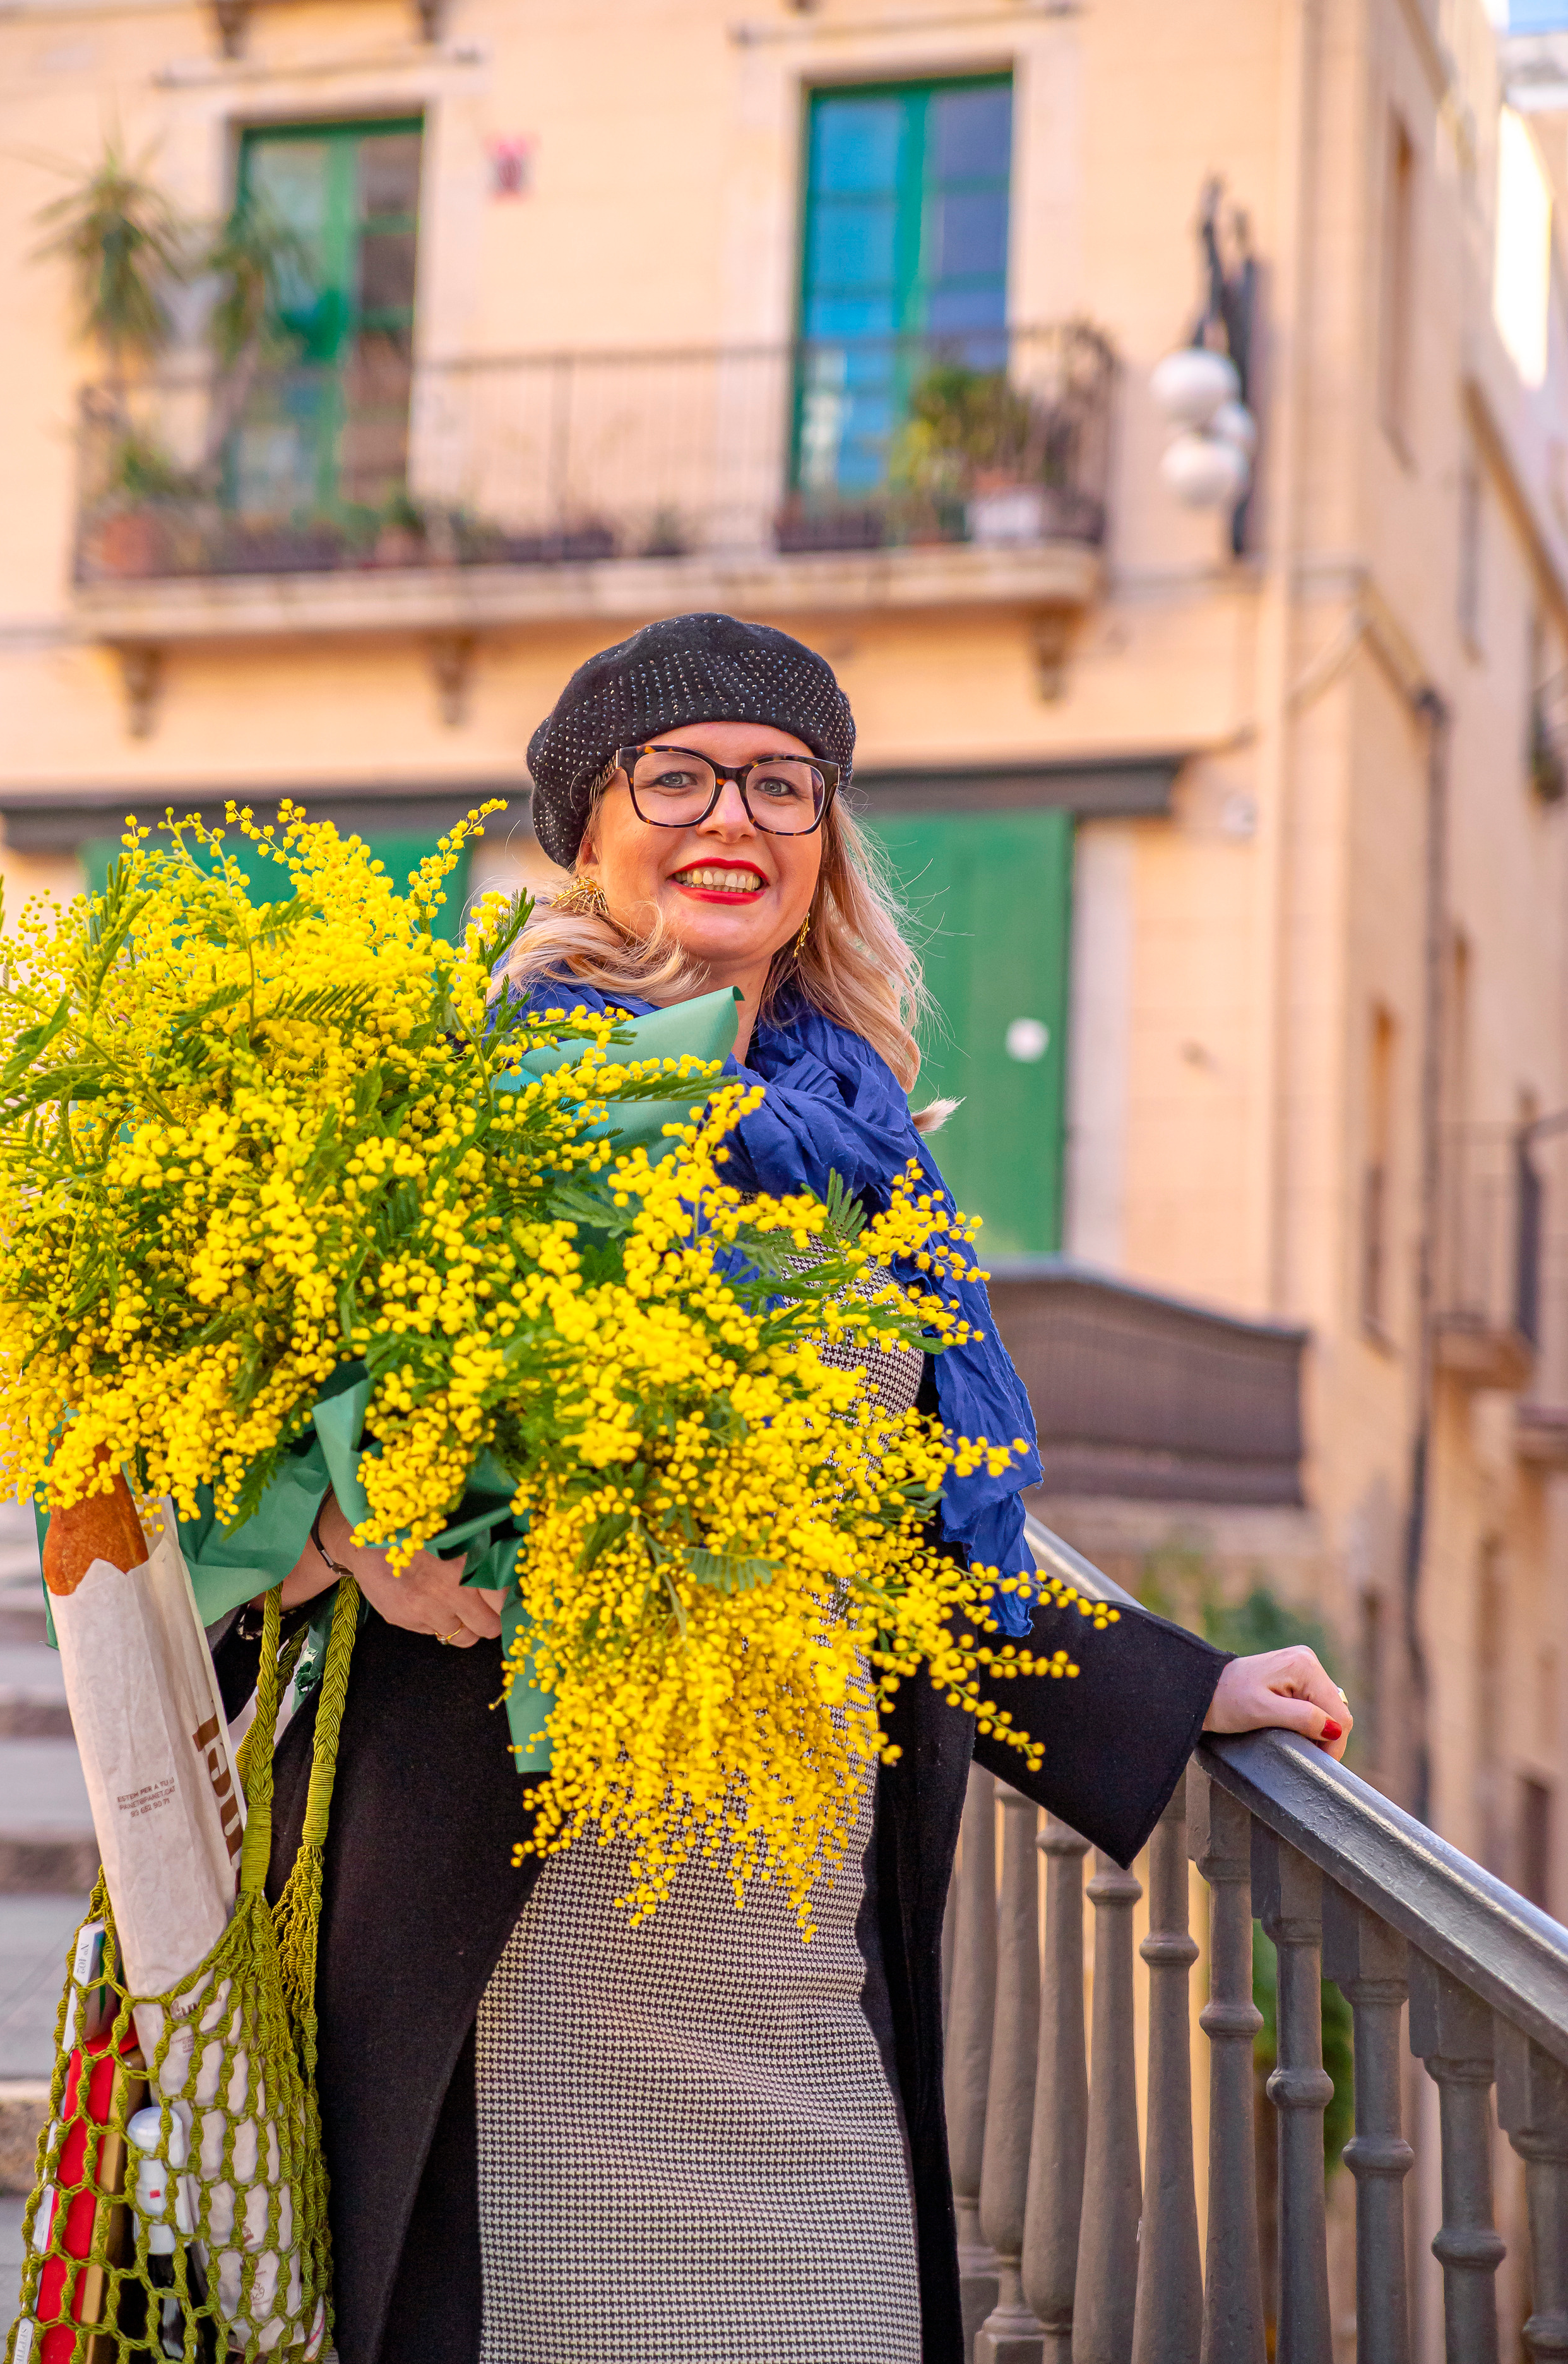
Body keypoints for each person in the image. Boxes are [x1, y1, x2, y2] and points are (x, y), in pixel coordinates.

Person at [215, 613, 1351, 2364]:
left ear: (825, 840)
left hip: (786, 1933)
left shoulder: (865, 1141)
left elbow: (911, 1523)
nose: (727, 813)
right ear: (588, 831)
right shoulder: (462, 1090)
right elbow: (206, 1459)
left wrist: (1168, 1683)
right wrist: (353, 1532)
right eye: (674, 777)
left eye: (779, 781)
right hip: (522, 1930)